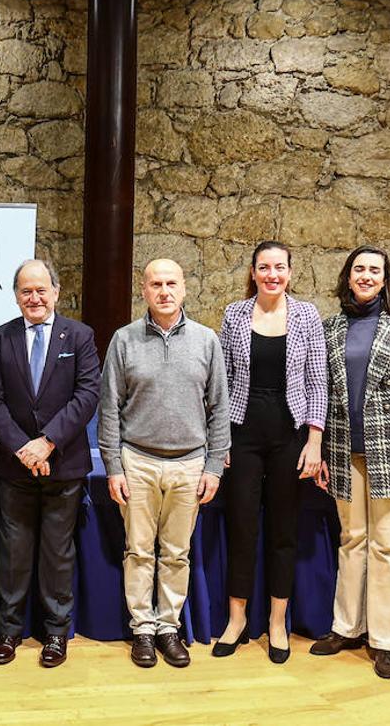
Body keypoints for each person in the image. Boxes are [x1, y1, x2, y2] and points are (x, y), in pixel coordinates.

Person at [307, 245, 390, 679]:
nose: (365, 276)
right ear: (348, 276)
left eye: (374, 270)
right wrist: (318, 451)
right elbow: (319, 396)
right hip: (342, 450)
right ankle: (346, 627)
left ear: (385, 278)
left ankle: (384, 640)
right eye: (358, 268)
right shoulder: (330, 327)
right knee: (352, 538)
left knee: (387, 544)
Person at [98, 258, 229, 669]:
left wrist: (212, 468)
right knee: (138, 551)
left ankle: (168, 627)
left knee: (176, 553)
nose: (164, 291)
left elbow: (219, 410)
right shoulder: (124, 340)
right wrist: (114, 467)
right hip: (136, 460)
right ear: (144, 289)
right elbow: (109, 408)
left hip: (189, 464)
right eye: (156, 283)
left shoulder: (207, 341)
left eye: (171, 283)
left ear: (185, 288)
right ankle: (142, 629)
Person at [0, 260, 100, 668]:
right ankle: (9, 632)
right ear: (16, 295)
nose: (34, 298)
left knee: (57, 553)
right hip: (15, 467)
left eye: (41, 290)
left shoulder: (80, 335)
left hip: (63, 464)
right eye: (25, 291)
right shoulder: (1, 337)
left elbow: (87, 395)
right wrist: (23, 448)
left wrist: (47, 443)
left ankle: (55, 634)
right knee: (13, 552)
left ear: (56, 290)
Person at [215, 240, 327, 664]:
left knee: (283, 531)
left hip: (290, 435)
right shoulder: (234, 313)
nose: (272, 275)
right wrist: (219, 441)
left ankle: (277, 622)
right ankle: (237, 619)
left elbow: (318, 382)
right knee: (242, 527)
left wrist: (314, 441)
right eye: (265, 267)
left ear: (290, 272)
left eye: (280, 267)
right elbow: (220, 382)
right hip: (242, 434)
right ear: (253, 271)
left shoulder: (306, 315)